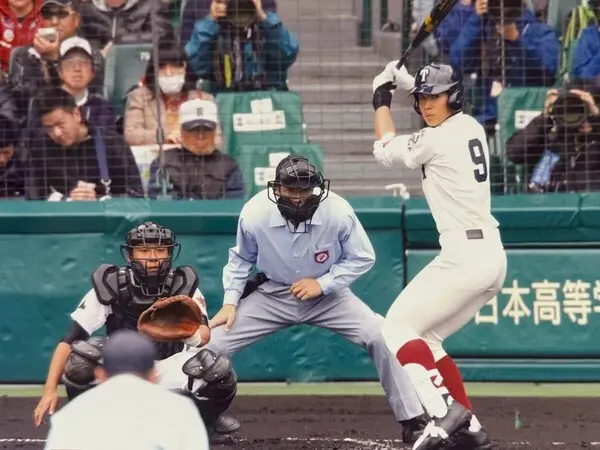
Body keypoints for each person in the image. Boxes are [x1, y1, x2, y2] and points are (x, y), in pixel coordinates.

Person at [158, 155, 428, 444]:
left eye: (305, 190)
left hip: (329, 297)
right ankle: (197, 421)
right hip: (273, 295)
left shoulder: (337, 212)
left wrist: (323, 283)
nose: (298, 198)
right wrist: (230, 302)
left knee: (380, 336)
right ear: (277, 189)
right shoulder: (256, 214)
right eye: (291, 190)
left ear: (317, 189)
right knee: (209, 346)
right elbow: (241, 259)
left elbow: (362, 257)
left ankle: (414, 420)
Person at [371, 61, 507, 449]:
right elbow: (431, 109)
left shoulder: (435, 139)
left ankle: (443, 409)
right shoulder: (470, 127)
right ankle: (470, 429)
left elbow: (385, 150)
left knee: (395, 328)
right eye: (422, 98)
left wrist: (381, 100)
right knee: (426, 339)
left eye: (436, 97)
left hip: (465, 256)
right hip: (489, 256)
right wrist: (406, 83)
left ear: (454, 97)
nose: (427, 105)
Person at [33, 221, 240, 441]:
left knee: (216, 369)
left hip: (168, 367)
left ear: (170, 253)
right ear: (130, 255)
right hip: (121, 372)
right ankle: (94, 425)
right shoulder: (111, 284)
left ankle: (205, 424)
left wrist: (189, 333)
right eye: (144, 250)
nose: (153, 257)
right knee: (80, 360)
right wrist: (50, 389)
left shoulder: (183, 285)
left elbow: (204, 336)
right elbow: (69, 340)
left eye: (160, 250)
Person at [44, 330, 210, 450]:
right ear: (153, 375)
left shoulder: (69, 415)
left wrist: (50, 388)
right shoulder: (181, 409)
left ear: (101, 374)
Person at [25, 86, 142, 200]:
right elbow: (33, 196)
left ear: (77, 114)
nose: (57, 133)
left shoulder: (113, 143)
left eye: (60, 124)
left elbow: (136, 195)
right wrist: (65, 200)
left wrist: (99, 199)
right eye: (49, 128)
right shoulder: (41, 147)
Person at [124, 41, 221, 147]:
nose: (168, 73)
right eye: (161, 67)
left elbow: (217, 140)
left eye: (174, 66)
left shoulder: (204, 99)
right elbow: (131, 135)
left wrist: (189, 139)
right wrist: (164, 136)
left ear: (184, 68)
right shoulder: (139, 97)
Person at [147, 99, 244, 200]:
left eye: (206, 129)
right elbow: (161, 201)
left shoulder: (229, 167)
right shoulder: (164, 162)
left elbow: (232, 203)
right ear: (182, 131)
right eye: (194, 130)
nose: (200, 136)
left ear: (215, 131)